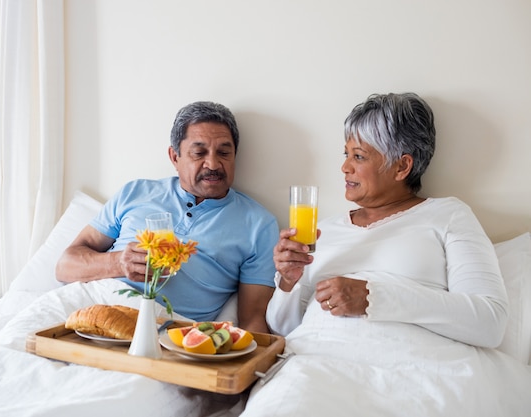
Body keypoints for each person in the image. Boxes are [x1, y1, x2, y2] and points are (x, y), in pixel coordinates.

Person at [268, 92, 508, 347]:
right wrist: (288, 281)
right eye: (346, 154)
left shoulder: (448, 215)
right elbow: (283, 329)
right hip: (316, 363)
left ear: (402, 167)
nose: (345, 167)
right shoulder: (320, 231)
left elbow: (490, 323)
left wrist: (374, 297)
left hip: (412, 368)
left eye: (358, 156)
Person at [56, 101, 279, 333]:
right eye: (198, 153)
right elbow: (64, 267)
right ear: (175, 157)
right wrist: (118, 262)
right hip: (88, 307)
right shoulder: (135, 193)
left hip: (168, 332)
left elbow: (253, 320)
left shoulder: (259, 225)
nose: (213, 164)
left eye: (224, 153)